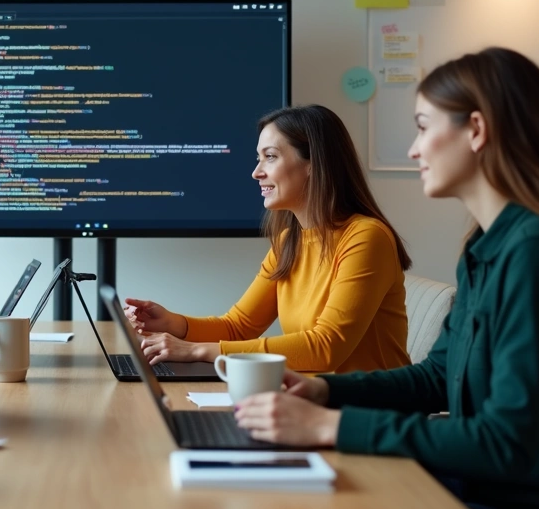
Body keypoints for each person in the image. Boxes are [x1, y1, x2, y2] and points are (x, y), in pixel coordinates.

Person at [234, 48, 539, 509]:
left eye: (423, 127)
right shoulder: (489, 246)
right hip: (496, 490)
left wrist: (332, 427)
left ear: (477, 131)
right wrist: (326, 392)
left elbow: (504, 441)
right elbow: (438, 377)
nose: (414, 150)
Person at [127, 105, 412, 373]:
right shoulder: (291, 241)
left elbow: (327, 347)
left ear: (314, 163)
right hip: (312, 401)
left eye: (271, 157)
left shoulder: (365, 237)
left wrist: (197, 351)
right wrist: (171, 322)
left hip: (371, 413)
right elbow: (238, 327)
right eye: (258, 158)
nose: (256, 172)